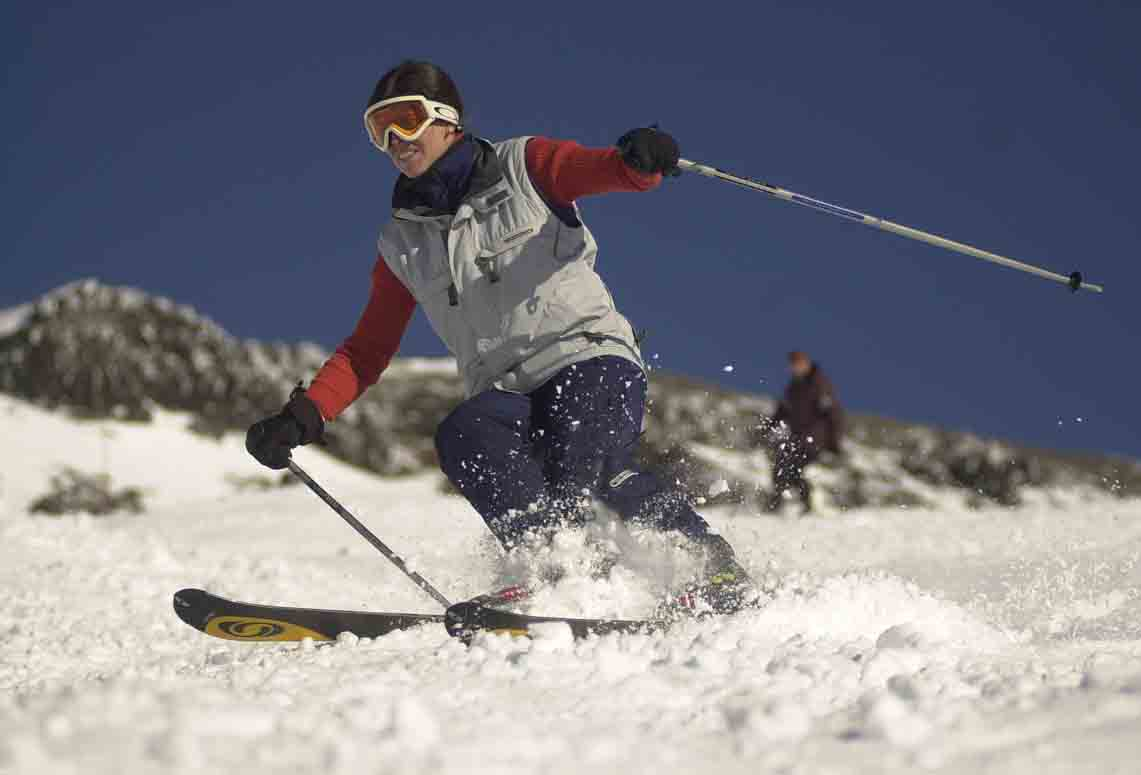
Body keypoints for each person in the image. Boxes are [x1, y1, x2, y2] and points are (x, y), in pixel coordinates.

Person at [244, 60, 753, 613]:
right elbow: (367, 350)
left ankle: (708, 565)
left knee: (588, 461)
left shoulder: (524, 166)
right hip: (506, 390)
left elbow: (603, 169)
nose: (394, 140)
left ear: (446, 120)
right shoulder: (402, 243)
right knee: (465, 433)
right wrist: (303, 415)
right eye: (378, 129)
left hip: (586, 356)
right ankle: (560, 571)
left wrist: (639, 161)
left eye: (406, 120)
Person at [765, 350, 845, 513]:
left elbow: (833, 413)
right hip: (797, 438)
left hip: (814, 439)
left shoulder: (819, 384)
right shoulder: (793, 388)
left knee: (792, 467)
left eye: (799, 364)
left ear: (806, 363)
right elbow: (782, 411)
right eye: (793, 365)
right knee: (780, 467)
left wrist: (835, 442)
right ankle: (777, 504)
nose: (796, 368)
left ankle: (806, 504)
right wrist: (768, 427)